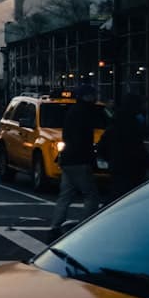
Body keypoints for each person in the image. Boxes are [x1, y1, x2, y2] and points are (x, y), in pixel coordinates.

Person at [49, 84, 103, 239]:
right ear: (86, 96)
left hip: (67, 159)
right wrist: (91, 159)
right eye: (92, 94)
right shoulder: (86, 113)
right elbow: (84, 140)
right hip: (80, 159)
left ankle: (55, 225)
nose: (95, 97)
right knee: (91, 195)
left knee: (65, 195)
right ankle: (85, 226)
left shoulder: (73, 112)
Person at [104, 92, 149, 202]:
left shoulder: (115, 121)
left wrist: (112, 159)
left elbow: (103, 146)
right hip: (131, 169)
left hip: (117, 167)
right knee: (131, 199)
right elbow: (138, 148)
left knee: (116, 199)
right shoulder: (131, 123)